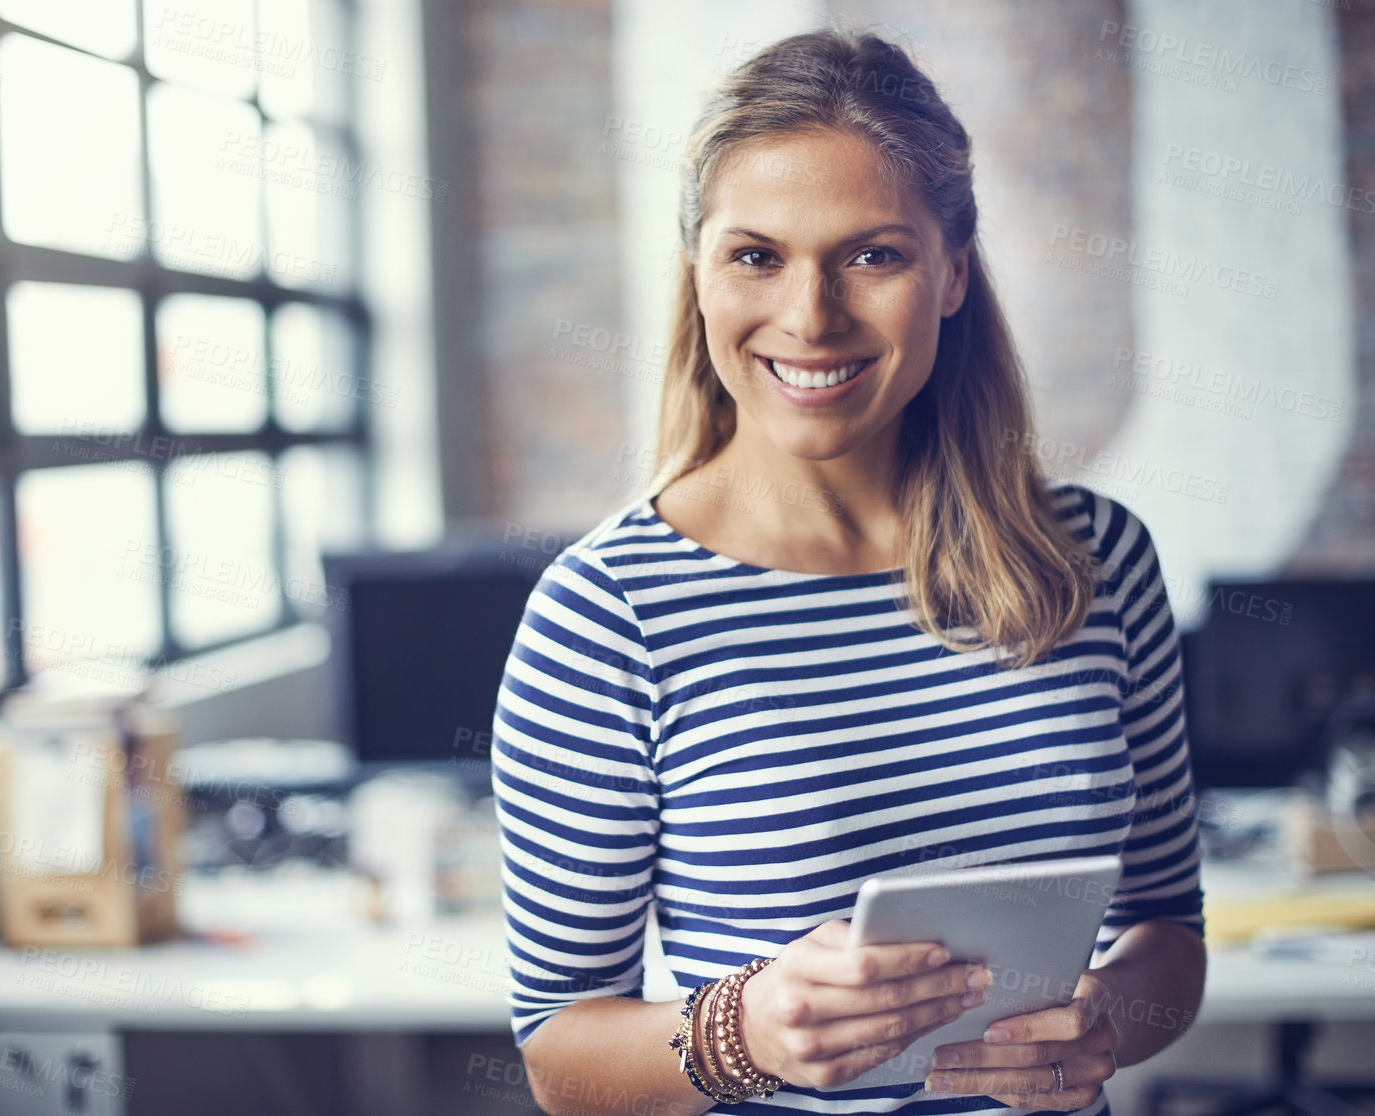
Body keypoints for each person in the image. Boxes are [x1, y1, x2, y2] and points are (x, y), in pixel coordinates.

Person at [488, 27, 1205, 1116]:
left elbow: (1170, 935)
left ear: (954, 271)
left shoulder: (1101, 559)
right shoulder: (608, 613)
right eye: (756, 254)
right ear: (700, 272)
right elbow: (559, 1053)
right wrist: (745, 1032)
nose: (810, 316)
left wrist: (1108, 1018)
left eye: (874, 254)